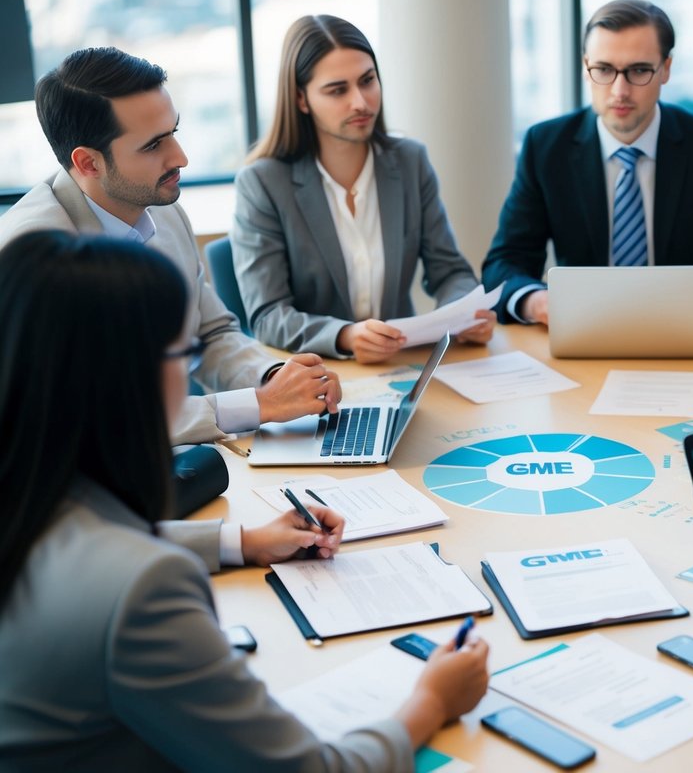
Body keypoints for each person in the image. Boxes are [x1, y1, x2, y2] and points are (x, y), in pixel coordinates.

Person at [0, 230, 490, 769]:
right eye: (182, 353)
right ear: (129, 377)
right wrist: (430, 701)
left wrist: (245, 541)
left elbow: (78, 544)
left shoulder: (25, 496)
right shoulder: (143, 590)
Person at [0, 46, 342, 446]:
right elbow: (90, 417)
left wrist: (274, 378)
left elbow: (211, 333)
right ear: (89, 163)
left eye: (174, 132)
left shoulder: (160, 209)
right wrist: (260, 404)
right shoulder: (34, 258)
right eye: (152, 145)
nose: (180, 158)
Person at [481, 0, 693, 325]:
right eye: (604, 70)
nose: (619, 90)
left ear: (665, 69)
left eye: (638, 71)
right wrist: (538, 303)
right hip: (581, 330)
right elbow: (504, 263)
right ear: (585, 67)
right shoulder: (546, 147)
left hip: (682, 331)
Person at [234, 15, 492, 363]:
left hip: (402, 367)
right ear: (301, 99)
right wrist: (344, 336)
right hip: (319, 377)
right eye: (338, 90)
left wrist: (463, 314)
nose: (361, 102)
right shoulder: (263, 183)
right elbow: (268, 316)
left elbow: (450, 272)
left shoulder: (410, 161)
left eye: (367, 81)